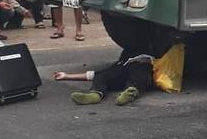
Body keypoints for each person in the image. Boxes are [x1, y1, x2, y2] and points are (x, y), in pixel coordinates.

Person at [54, 42, 184, 106]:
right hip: (123, 68)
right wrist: (66, 75)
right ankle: (95, 94)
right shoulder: (122, 62)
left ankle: (130, 91)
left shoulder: (146, 59)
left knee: (138, 76)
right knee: (103, 75)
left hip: (142, 67)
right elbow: (93, 74)